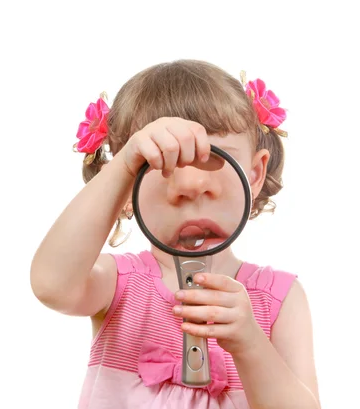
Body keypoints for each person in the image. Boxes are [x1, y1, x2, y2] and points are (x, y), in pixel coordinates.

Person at [30, 60, 320, 409]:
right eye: (156, 165)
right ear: (124, 191)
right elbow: (51, 285)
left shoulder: (279, 300)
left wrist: (250, 343)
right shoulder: (119, 283)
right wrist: (124, 165)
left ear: (254, 175)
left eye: (216, 158)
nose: (192, 185)